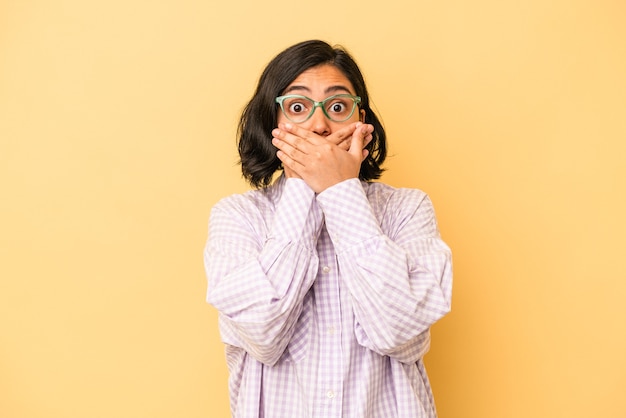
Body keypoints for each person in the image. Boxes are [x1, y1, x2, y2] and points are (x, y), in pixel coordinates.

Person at [204, 39, 453, 418]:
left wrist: (340, 191)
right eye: (298, 107)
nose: (320, 126)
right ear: (272, 123)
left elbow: (399, 329)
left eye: (337, 107)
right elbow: (262, 333)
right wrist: (305, 186)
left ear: (361, 122)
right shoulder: (238, 217)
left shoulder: (407, 209)